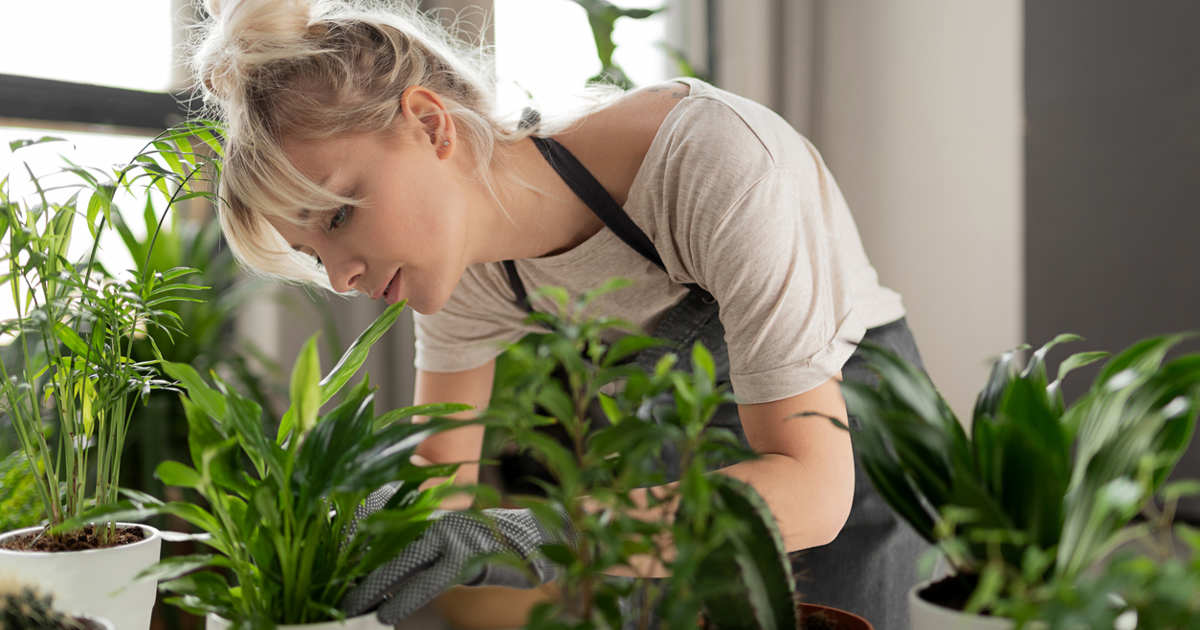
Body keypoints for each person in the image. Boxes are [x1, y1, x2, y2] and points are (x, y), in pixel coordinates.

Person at [191, 0, 931, 628]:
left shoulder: (711, 162)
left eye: (341, 214)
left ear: (429, 123)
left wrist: (526, 536)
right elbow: (439, 491)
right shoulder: (468, 273)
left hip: (841, 457)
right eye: (313, 256)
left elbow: (812, 489)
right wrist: (342, 534)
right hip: (683, 471)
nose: (344, 277)